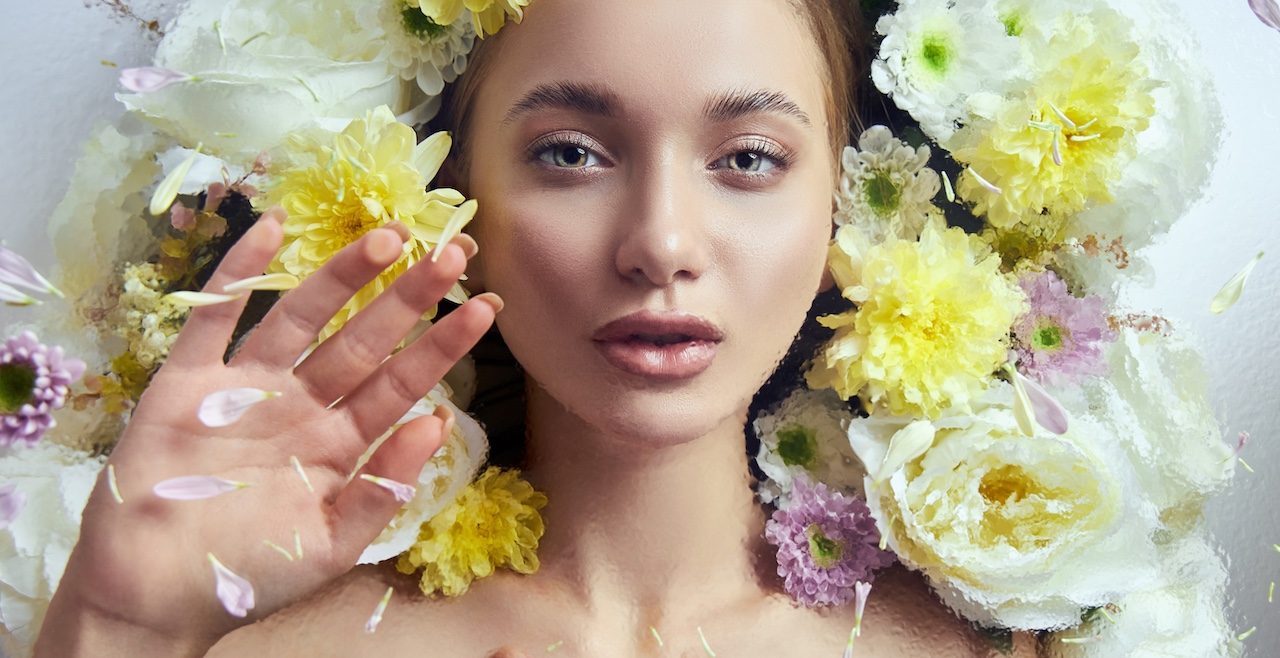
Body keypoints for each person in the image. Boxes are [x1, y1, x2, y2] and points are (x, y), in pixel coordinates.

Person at [35, 0, 1032, 655]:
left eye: (748, 159)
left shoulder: (986, 644)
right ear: (453, 191)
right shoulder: (276, 645)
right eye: (568, 152)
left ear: (841, 209)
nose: (660, 243)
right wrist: (116, 628)